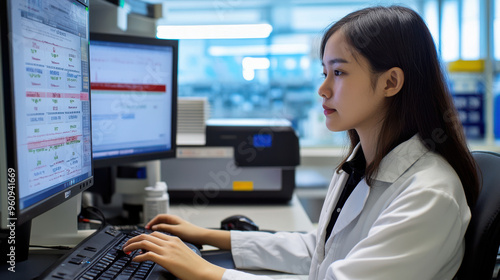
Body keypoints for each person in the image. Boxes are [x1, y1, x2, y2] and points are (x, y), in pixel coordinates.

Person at [123, 5, 480, 280]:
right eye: (324, 73)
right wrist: (209, 236)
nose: (322, 89)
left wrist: (207, 272)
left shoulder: (429, 195)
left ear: (390, 82)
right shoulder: (361, 165)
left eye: (338, 73)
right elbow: (320, 251)